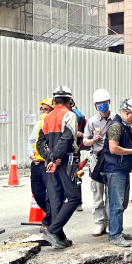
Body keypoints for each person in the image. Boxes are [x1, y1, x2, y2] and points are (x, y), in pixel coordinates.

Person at [37, 86, 81, 249]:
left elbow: (40, 143)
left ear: (54, 101)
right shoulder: (69, 115)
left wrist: (50, 158)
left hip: (52, 163)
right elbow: (67, 139)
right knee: (74, 197)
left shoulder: (47, 118)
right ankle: (53, 230)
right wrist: (56, 160)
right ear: (70, 101)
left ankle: (60, 237)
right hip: (66, 161)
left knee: (56, 198)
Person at [103, 99, 132, 247]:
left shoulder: (127, 128)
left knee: (122, 203)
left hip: (123, 169)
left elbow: (125, 149)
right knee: (117, 204)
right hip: (115, 171)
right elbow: (113, 149)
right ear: (128, 113)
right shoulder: (115, 126)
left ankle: (117, 230)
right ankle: (115, 235)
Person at [84, 89, 115, 236]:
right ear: (95, 105)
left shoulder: (117, 119)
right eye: (98, 104)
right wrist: (92, 140)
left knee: (111, 194)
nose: (102, 106)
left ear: (109, 102)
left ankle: (109, 223)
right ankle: (99, 223)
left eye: (104, 103)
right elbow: (85, 141)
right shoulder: (92, 122)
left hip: (112, 159)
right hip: (97, 158)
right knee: (97, 193)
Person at [28, 98, 54, 231]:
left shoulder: (55, 125)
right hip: (37, 163)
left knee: (50, 194)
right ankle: (53, 214)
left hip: (49, 164)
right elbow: (31, 141)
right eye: (42, 109)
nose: (43, 112)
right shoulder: (38, 124)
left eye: (46, 109)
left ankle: (48, 220)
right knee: (37, 192)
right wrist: (31, 155)